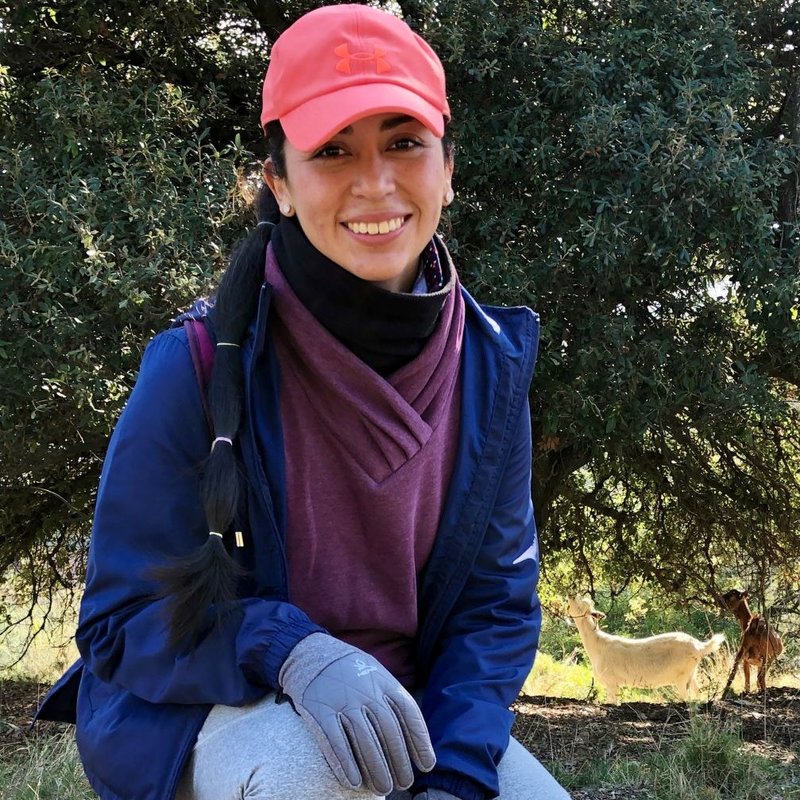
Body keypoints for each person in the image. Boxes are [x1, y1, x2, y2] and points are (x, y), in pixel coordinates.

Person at [35, 5, 569, 800]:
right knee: (310, 778)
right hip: (217, 708)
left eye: (403, 142)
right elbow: (120, 622)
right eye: (332, 151)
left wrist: (456, 777)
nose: (375, 182)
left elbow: (493, 611)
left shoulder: (492, 367)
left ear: (449, 169)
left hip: (409, 714)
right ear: (279, 183)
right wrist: (288, 648)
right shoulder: (193, 365)